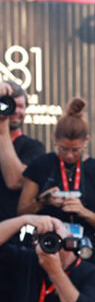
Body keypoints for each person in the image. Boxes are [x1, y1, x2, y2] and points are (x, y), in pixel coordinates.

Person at [17, 98, 95, 254]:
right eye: (63, 149)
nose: (69, 155)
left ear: (86, 141)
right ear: (55, 138)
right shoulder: (40, 165)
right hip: (45, 244)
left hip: (84, 249)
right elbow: (21, 212)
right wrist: (42, 202)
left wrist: (83, 211)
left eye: (76, 150)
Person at [0, 81, 45, 222]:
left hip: (12, 231)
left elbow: (16, 181)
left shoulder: (33, 147)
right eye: (9, 104)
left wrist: (2, 126)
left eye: (20, 106)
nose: (14, 110)